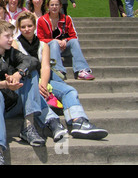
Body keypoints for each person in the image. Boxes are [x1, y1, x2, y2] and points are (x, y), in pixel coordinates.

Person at [0, 19, 66, 165]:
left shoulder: (11, 52)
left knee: (30, 74)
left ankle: (28, 127)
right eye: (8, 36)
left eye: (12, 36)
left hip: (13, 103)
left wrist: (18, 74)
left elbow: (32, 61)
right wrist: (3, 84)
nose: (12, 39)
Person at [14, 12, 108, 140]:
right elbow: (18, 67)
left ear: (34, 26)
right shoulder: (16, 44)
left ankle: (78, 121)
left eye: (29, 26)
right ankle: (52, 122)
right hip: (27, 83)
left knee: (69, 90)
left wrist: (43, 84)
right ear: (19, 28)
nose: (27, 29)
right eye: (23, 27)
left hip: (44, 79)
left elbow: (46, 66)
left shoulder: (43, 45)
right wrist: (37, 85)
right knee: (35, 94)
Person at [37, 0, 95, 80]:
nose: (54, 7)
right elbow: (40, 38)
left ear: (60, 6)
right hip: (49, 49)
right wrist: (55, 41)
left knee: (74, 41)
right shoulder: (42, 20)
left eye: (56, 5)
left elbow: (73, 35)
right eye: (52, 5)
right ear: (48, 6)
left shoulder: (66, 19)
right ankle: (58, 71)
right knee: (54, 43)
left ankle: (81, 70)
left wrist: (66, 40)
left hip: (64, 47)